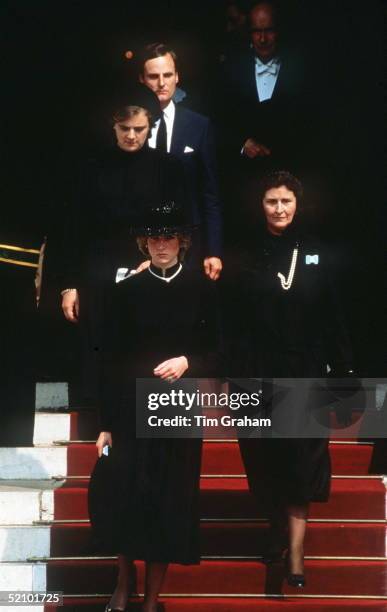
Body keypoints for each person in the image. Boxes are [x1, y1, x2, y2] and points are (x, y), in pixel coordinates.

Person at [88, 204, 220, 612]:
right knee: (122, 494)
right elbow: (108, 360)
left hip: (176, 405)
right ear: (144, 241)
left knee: (168, 500)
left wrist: (189, 362)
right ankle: (124, 585)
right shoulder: (124, 292)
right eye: (154, 238)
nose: (161, 245)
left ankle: (152, 600)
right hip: (129, 408)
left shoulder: (204, 288)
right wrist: (106, 423)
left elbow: (222, 347)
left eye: (169, 237)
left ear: (182, 241)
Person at [225, 171, 354, 587]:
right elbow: (232, 321)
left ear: (298, 204)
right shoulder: (243, 254)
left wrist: (344, 369)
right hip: (254, 371)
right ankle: (276, 528)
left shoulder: (317, 252)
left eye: (286, 201)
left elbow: (335, 316)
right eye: (271, 202)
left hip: (305, 370)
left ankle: (296, 549)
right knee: (260, 455)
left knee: (302, 456)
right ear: (259, 205)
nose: (279, 209)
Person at [59, 84, 185, 402]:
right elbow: (72, 229)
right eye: (124, 128)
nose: (131, 135)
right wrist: (69, 284)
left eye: (139, 129)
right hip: (97, 273)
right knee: (98, 348)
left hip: (149, 267)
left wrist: (156, 259)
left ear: (151, 127)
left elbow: (181, 223)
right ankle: (96, 427)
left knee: (145, 349)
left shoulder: (168, 168)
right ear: (113, 126)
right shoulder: (90, 167)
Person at [138, 43, 223, 281]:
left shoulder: (199, 126)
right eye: (154, 76)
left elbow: (210, 194)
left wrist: (213, 251)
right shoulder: (130, 127)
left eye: (167, 75)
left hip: (190, 245)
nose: (162, 83)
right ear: (142, 79)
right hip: (142, 242)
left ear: (177, 76)